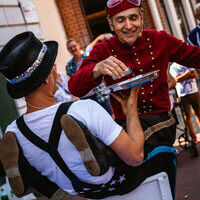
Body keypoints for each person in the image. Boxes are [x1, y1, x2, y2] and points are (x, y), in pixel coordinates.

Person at [0, 32, 176, 199]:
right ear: (46, 78)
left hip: (81, 190)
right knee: (161, 128)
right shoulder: (83, 109)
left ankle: (26, 177)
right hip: (118, 180)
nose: (56, 70)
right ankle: (97, 161)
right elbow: (135, 157)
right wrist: (130, 109)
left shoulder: (14, 132)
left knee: (45, 165)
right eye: (52, 67)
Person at [68, 0, 200, 153]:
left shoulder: (160, 39)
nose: (129, 26)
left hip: (160, 120)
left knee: (126, 150)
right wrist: (96, 69)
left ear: (141, 18)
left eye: (133, 18)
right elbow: (74, 88)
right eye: (120, 20)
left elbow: (195, 56)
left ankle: (102, 154)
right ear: (111, 24)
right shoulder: (102, 50)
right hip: (123, 124)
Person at [66, 35, 113, 115]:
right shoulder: (69, 66)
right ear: (68, 50)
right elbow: (73, 82)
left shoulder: (89, 56)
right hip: (86, 98)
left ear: (78, 45)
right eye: (70, 48)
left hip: (100, 93)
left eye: (74, 46)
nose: (73, 49)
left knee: (110, 115)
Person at [170, 63, 200, 144]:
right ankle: (193, 137)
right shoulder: (173, 67)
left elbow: (194, 75)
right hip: (182, 95)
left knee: (198, 113)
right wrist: (187, 74)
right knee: (187, 116)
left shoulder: (186, 62)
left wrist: (179, 78)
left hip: (194, 92)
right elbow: (174, 81)